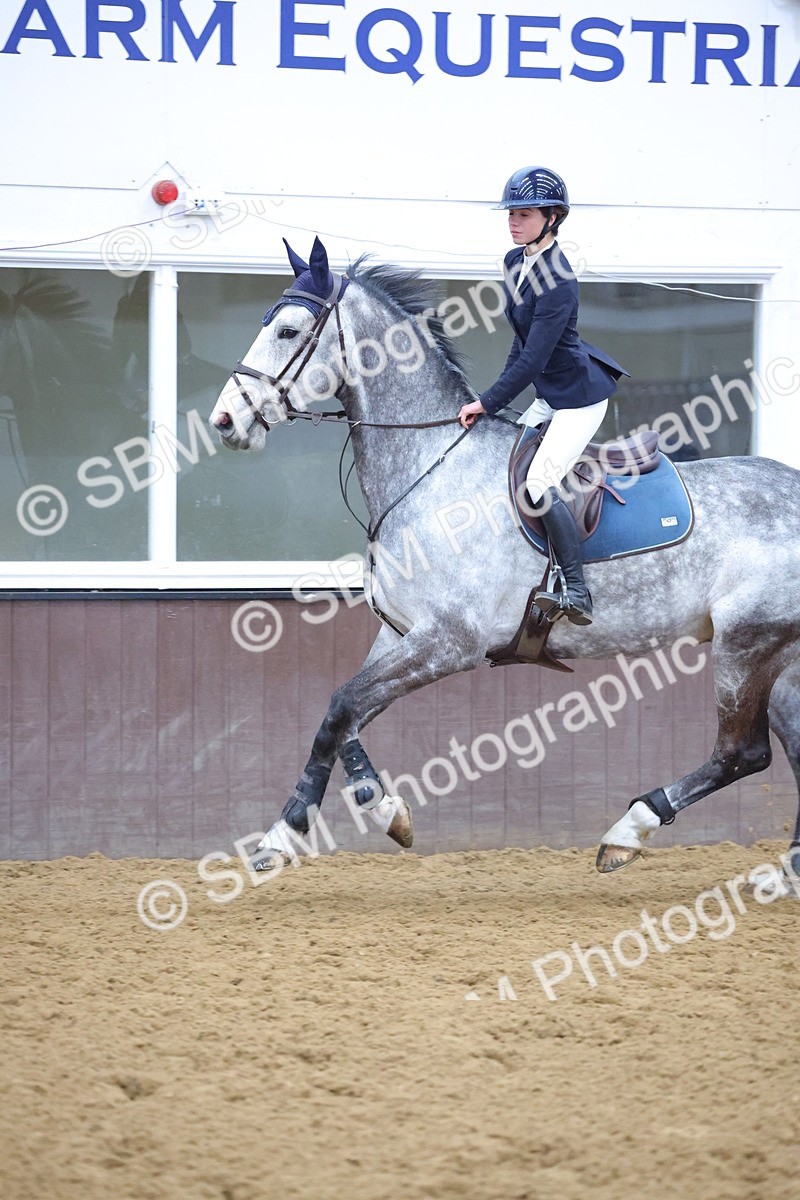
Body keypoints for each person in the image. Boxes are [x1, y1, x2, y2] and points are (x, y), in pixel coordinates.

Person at [458, 166, 628, 626]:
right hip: (549, 392)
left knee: (537, 483)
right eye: (511, 213)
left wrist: (487, 402)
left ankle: (577, 590)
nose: (513, 221)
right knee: (504, 463)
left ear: (553, 217)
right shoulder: (516, 262)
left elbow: (533, 361)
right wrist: (492, 393)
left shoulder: (560, 282)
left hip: (577, 397)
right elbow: (519, 341)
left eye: (525, 214)